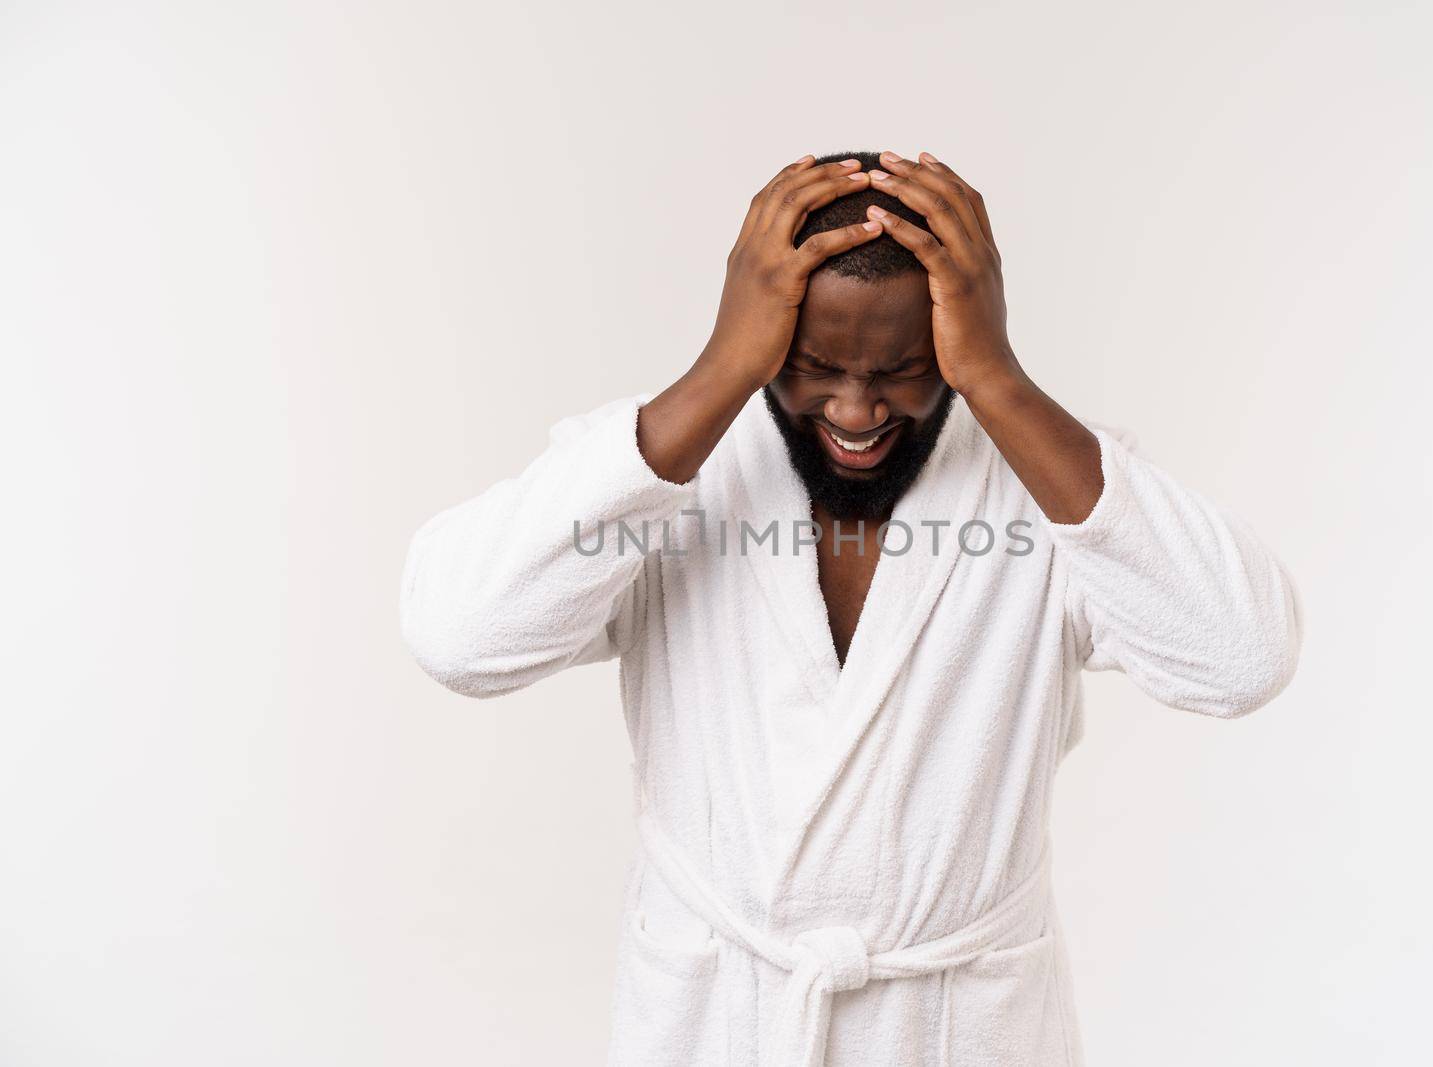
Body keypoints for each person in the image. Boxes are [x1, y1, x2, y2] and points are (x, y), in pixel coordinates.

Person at [400, 149, 1303, 1066]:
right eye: (815, 366)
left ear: (961, 339)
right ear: (760, 333)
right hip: (719, 1024)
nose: (858, 407)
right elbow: (460, 636)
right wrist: (719, 372)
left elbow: (1243, 657)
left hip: (960, 1030)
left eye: (905, 369)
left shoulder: (1046, 483)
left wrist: (1000, 382)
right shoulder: (663, 464)